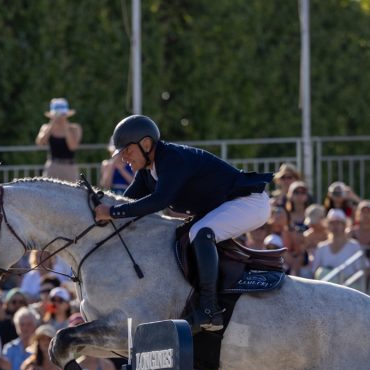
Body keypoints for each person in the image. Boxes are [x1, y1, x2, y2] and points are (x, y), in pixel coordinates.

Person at [93, 115, 273, 332]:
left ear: (146, 144)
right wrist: (99, 206)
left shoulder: (172, 159)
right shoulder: (147, 171)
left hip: (249, 202)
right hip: (226, 205)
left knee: (201, 232)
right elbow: (128, 202)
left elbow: (159, 201)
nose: (124, 158)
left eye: (127, 151)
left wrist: (112, 212)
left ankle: (209, 310)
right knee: (183, 234)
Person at [310, 209, 368, 280]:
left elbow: (363, 270)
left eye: (338, 223)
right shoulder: (321, 247)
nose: (335, 226)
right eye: (332, 223)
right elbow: (315, 272)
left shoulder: (354, 246)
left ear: (344, 225)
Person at [35, 98, 82, 182]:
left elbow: (73, 147)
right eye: (57, 114)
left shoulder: (74, 128)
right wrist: (51, 124)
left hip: (69, 167)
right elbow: (40, 143)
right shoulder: (46, 127)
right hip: (52, 166)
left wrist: (65, 128)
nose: (60, 117)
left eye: (62, 114)